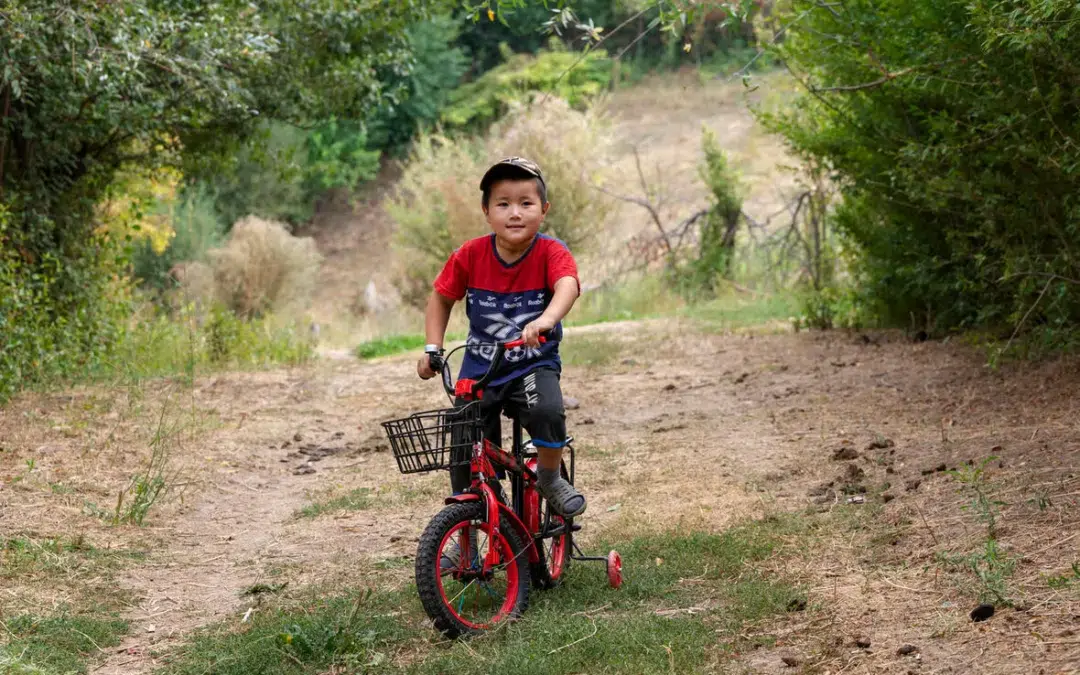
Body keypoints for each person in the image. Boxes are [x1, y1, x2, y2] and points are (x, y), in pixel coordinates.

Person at [416, 156, 585, 518]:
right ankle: (470, 514)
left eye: (526, 203)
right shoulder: (470, 255)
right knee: (464, 432)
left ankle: (551, 477)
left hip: (532, 363)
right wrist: (433, 348)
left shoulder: (550, 252)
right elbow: (441, 298)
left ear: (544, 210)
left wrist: (547, 319)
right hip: (481, 367)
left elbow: (566, 285)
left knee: (548, 410)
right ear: (486, 211)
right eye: (503, 204)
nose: (515, 213)